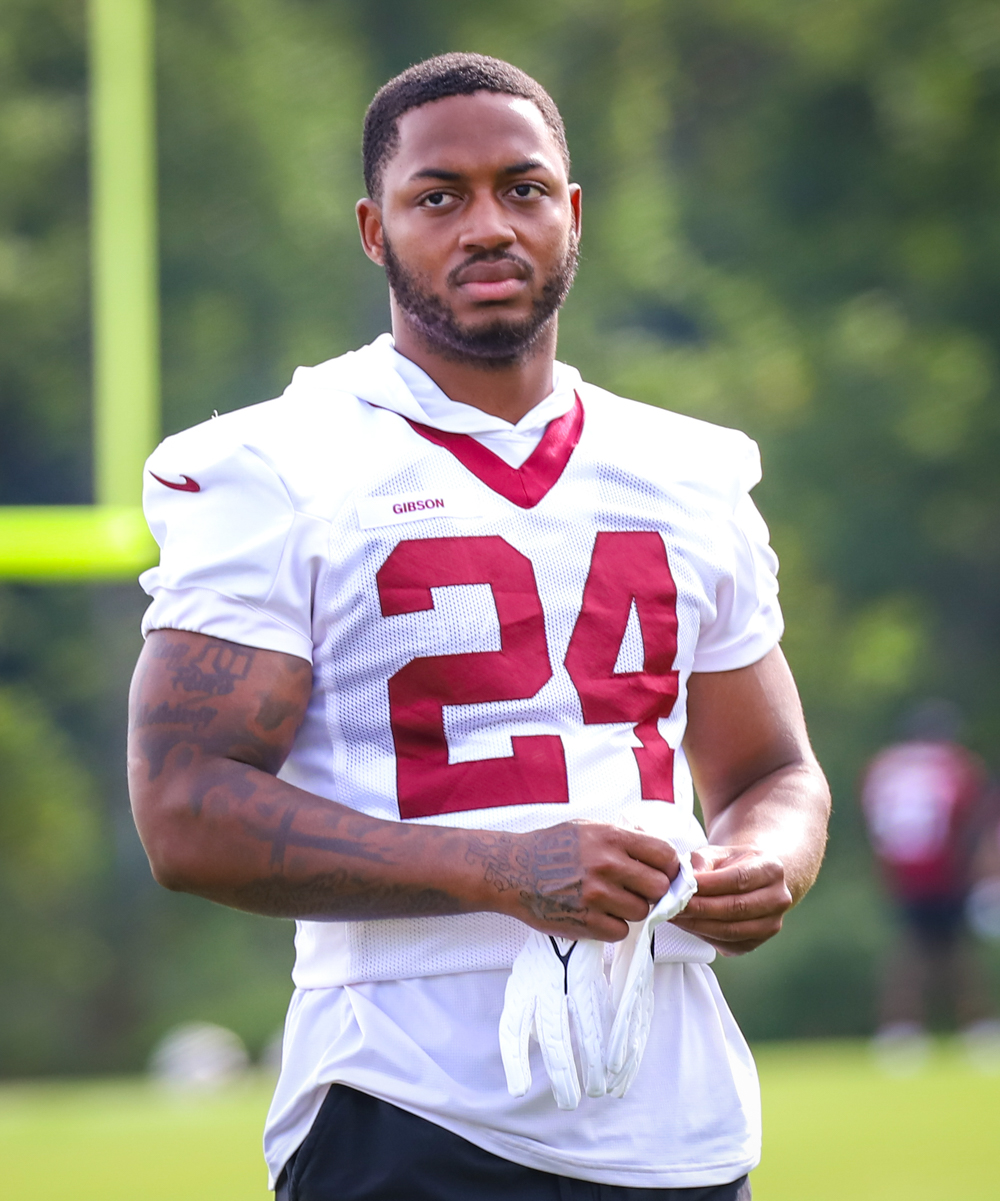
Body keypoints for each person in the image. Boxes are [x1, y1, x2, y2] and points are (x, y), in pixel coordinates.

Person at [127, 53, 830, 1201]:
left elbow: (771, 766)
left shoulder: (685, 471)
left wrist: (767, 861)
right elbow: (182, 809)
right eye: (438, 196)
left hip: (674, 1105)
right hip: (405, 1098)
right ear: (373, 228)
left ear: (573, 210)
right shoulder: (277, 465)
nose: (488, 225)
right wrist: (497, 866)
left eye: (523, 187)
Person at [861, 699, 998, 1060]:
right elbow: (974, 821)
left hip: (901, 873)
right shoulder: (954, 765)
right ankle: (973, 1028)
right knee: (952, 951)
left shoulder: (887, 766)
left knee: (914, 949)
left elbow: (876, 824)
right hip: (946, 869)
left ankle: (902, 1031)